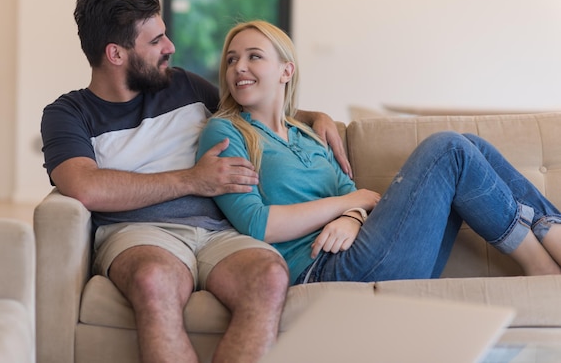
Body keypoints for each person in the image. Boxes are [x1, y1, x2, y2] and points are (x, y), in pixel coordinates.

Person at [40, 0, 350, 363]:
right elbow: (84, 185)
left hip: (220, 233)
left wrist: (312, 116)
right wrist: (192, 180)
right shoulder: (68, 113)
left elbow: (249, 104)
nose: (169, 47)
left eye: (165, 35)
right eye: (155, 42)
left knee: (269, 275)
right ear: (116, 54)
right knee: (154, 280)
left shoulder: (183, 85)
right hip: (139, 234)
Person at [196, 19, 561, 287]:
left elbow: (353, 199)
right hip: (324, 270)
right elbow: (259, 224)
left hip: (366, 253)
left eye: (253, 56)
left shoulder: (307, 134)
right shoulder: (225, 131)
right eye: (231, 60)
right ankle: (544, 268)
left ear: (285, 71)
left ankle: (550, 243)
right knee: (447, 148)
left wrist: (351, 216)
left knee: (471, 144)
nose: (238, 67)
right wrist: (349, 203)